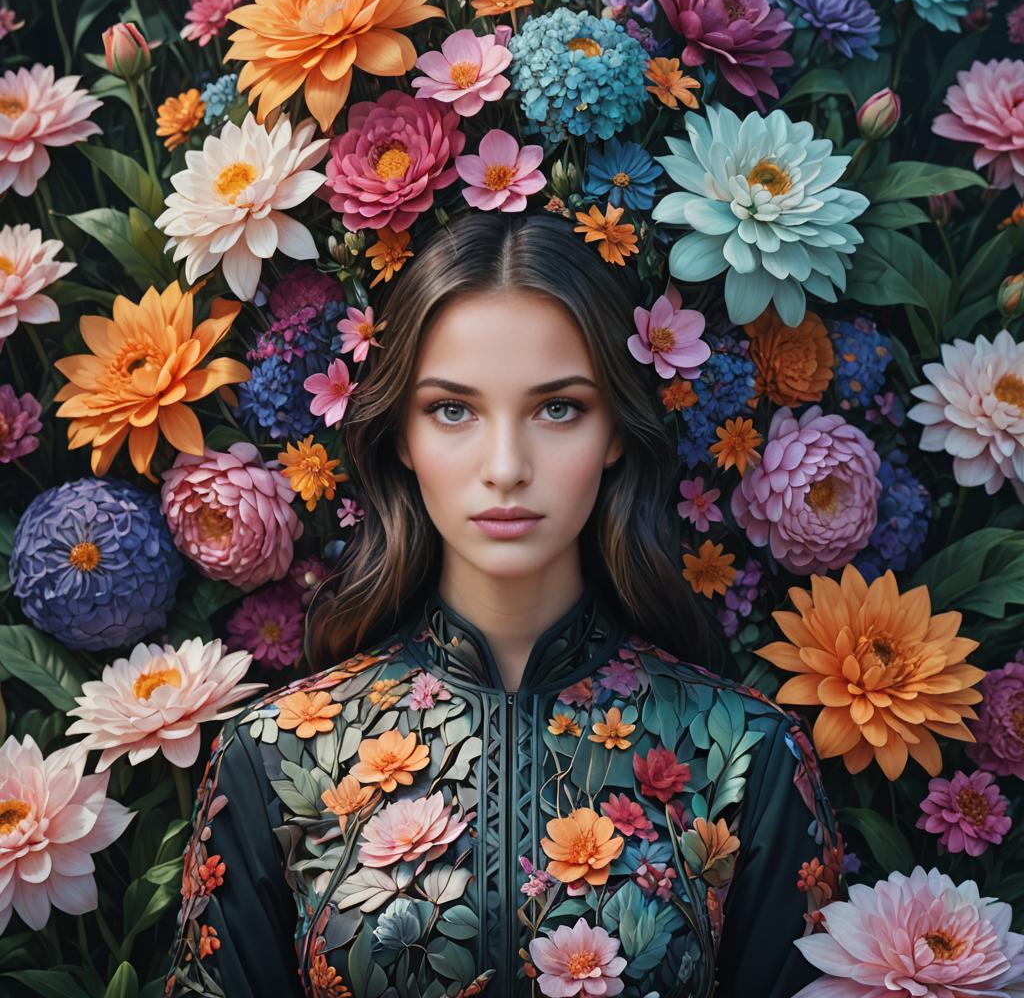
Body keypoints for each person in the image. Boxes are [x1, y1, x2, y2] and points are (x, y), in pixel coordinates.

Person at [163, 210, 844, 998]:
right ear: (403, 439)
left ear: (617, 430)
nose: (506, 466)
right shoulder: (277, 754)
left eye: (559, 409)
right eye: (453, 409)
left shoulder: (745, 757)